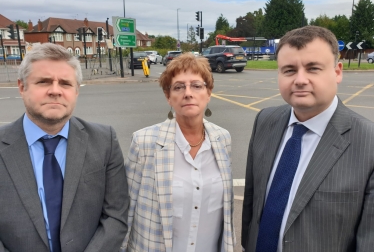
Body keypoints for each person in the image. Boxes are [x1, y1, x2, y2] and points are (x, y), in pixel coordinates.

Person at [241, 25, 374, 252]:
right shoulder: (265, 120)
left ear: (337, 72)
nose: (300, 80)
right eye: (289, 70)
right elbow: (253, 201)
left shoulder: (368, 144)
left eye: (313, 68)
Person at [0, 43, 129, 252]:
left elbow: (116, 215)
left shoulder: (105, 141)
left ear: (76, 90)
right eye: (43, 82)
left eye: (65, 83)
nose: (55, 91)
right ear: (22, 87)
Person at [122, 53, 236, 252]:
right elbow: (126, 209)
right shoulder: (144, 142)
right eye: (179, 87)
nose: (188, 93)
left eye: (197, 85)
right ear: (168, 97)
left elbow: (226, 211)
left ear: (208, 93)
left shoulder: (222, 139)